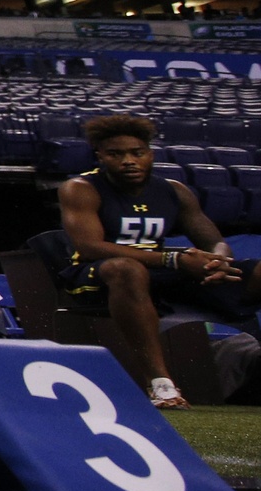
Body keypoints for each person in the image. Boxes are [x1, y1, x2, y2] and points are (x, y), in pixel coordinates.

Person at [54, 113, 261, 409]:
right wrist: (173, 259)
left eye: (137, 153)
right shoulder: (81, 188)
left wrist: (217, 262)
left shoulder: (174, 191)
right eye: (116, 154)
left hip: (159, 273)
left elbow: (214, 241)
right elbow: (89, 247)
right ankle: (161, 385)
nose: (128, 161)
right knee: (127, 269)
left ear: (150, 154)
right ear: (99, 156)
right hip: (95, 276)